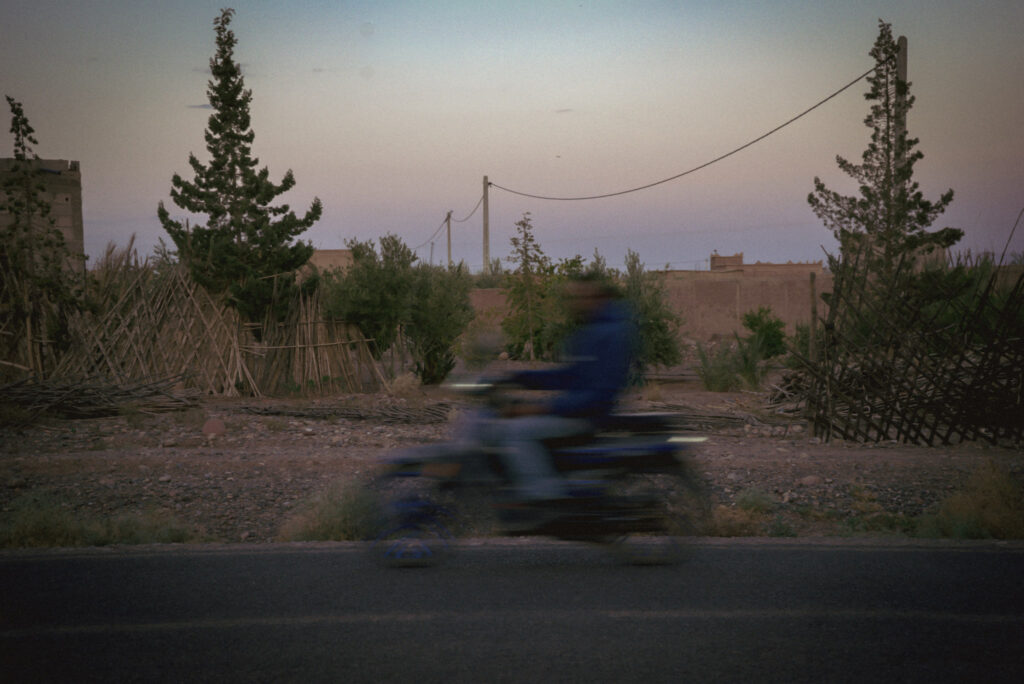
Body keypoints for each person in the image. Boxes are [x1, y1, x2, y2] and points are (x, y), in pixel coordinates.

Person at [497, 272, 634, 501]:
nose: (574, 303)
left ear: (595, 296)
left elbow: (597, 395)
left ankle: (545, 499)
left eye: (580, 296)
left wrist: (540, 408)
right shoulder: (591, 330)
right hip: (575, 410)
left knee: (515, 432)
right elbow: (569, 377)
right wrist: (519, 378)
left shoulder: (611, 333)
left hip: (586, 416)